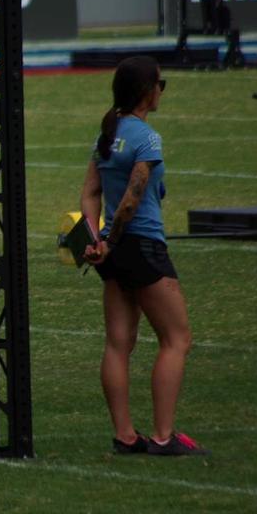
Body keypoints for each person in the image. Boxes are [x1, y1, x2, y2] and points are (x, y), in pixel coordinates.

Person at [80, 56, 208, 457]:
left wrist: (97, 240)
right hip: (141, 247)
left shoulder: (106, 134)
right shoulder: (147, 139)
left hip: (112, 251)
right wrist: (114, 241)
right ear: (146, 92)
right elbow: (132, 201)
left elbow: (89, 194)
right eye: (160, 84)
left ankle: (125, 436)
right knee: (177, 339)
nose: (161, 90)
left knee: (119, 343)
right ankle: (165, 437)